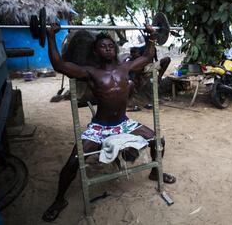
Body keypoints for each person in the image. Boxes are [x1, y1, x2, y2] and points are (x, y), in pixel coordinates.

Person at [42, 25, 176, 222]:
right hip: (100, 128)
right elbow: (59, 65)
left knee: (159, 140)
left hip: (123, 123)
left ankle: (155, 172)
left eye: (110, 46)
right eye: (102, 46)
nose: (107, 48)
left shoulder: (126, 67)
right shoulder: (89, 72)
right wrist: (51, 36)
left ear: (115, 49)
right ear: (96, 51)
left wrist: (152, 36)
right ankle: (59, 199)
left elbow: (147, 57)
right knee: (74, 161)